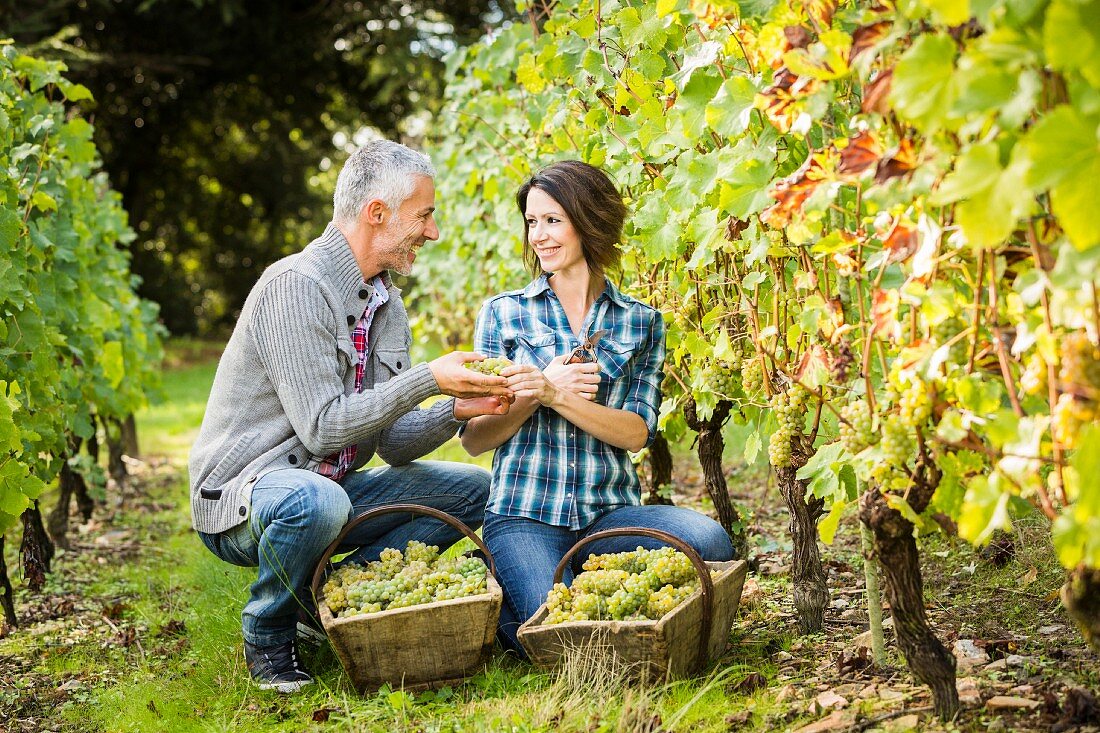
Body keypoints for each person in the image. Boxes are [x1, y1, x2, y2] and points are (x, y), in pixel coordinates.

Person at [189, 140, 514, 693]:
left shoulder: (384, 304)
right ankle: (269, 628)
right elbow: (323, 428)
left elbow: (392, 443)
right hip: (248, 498)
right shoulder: (295, 286)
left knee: (476, 492)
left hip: (328, 489)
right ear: (378, 214)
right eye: (425, 216)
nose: (432, 232)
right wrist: (428, 378)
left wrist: (456, 410)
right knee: (316, 503)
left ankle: (331, 602)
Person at [460, 160, 735, 653]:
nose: (539, 236)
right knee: (569, 641)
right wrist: (537, 388)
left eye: (552, 220)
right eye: (531, 222)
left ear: (588, 221)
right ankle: (514, 598)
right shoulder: (503, 313)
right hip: (525, 514)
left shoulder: (641, 322)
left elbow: (635, 433)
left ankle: (533, 596)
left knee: (710, 541)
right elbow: (476, 438)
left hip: (609, 516)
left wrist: (557, 395)